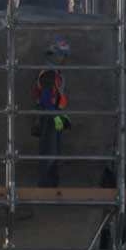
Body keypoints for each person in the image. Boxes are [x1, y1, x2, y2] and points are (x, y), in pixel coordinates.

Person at [32, 37, 72, 187]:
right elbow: (46, 98)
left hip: (53, 114)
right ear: (54, 54)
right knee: (49, 153)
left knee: (54, 154)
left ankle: (52, 186)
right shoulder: (48, 72)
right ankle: (46, 187)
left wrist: (62, 115)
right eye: (63, 55)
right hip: (48, 116)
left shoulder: (55, 72)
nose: (64, 59)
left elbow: (56, 98)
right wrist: (55, 116)